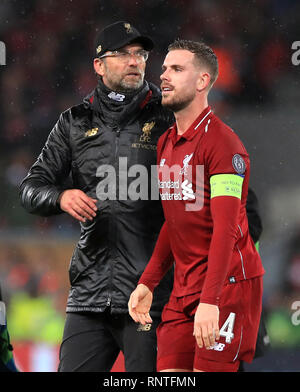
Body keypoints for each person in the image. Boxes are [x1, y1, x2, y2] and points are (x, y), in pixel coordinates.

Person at [19, 21, 174, 372]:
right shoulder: (73, 122)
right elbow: (31, 189)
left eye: (140, 54)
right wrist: (61, 197)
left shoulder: (168, 116)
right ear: (99, 65)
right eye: (123, 54)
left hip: (148, 296)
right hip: (89, 295)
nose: (135, 61)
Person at [128, 39, 265, 372]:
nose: (164, 76)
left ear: (203, 81)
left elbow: (226, 230)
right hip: (183, 291)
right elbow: (174, 223)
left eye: (177, 69)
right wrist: (148, 282)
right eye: (163, 69)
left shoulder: (224, 145)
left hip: (228, 289)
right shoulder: (165, 143)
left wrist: (210, 300)